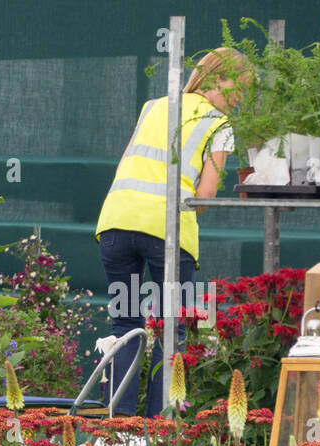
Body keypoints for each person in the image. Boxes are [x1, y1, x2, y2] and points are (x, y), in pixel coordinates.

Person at [95, 47, 253, 415]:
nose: (239, 99)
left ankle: (117, 428)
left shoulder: (153, 106)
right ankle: (160, 429)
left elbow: (125, 165)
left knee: (125, 324)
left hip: (117, 223)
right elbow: (206, 196)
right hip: (166, 233)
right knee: (171, 330)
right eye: (238, 89)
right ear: (216, 79)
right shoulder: (219, 125)